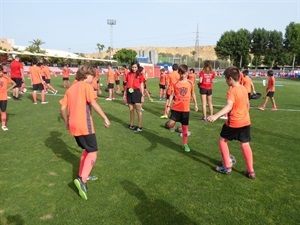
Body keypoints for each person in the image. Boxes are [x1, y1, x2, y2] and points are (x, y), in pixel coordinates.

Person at [60, 64, 110, 200]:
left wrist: (66, 121)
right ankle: (82, 180)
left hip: (73, 125)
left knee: (86, 150)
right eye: (92, 77)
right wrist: (105, 118)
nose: (93, 79)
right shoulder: (86, 86)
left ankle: (82, 175)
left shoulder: (71, 89)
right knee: (93, 151)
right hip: (84, 124)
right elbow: (93, 103)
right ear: (87, 75)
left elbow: (63, 107)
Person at [207, 66, 255, 179]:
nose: (225, 81)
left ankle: (227, 167)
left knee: (222, 141)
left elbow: (229, 106)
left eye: (225, 78)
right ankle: (251, 171)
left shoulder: (232, 91)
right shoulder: (243, 88)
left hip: (234, 122)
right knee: (245, 144)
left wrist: (215, 116)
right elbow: (248, 104)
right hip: (246, 121)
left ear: (230, 79)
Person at [164, 64, 198, 152]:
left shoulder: (190, 83)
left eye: (184, 73)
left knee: (185, 128)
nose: (182, 75)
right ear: (179, 73)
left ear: (187, 73)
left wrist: (196, 104)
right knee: (170, 124)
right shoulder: (175, 83)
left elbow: (193, 93)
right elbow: (171, 95)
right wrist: (168, 106)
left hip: (185, 110)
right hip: (176, 108)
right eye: (181, 73)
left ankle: (185, 144)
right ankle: (171, 124)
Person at [123, 61, 145, 132]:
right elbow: (126, 85)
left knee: (138, 110)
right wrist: (124, 94)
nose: (134, 68)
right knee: (131, 109)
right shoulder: (128, 74)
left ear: (138, 67)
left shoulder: (140, 75)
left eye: (135, 67)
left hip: (137, 92)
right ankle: (131, 125)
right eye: (133, 67)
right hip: (130, 91)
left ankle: (139, 127)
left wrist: (142, 95)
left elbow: (142, 85)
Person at [0, 65, 16, 131]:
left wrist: (8, 89)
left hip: (3, 98)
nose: (0, 73)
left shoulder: (6, 78)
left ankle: (3, 125)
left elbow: (14, 83)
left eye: (1, 71)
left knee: (3, 111)